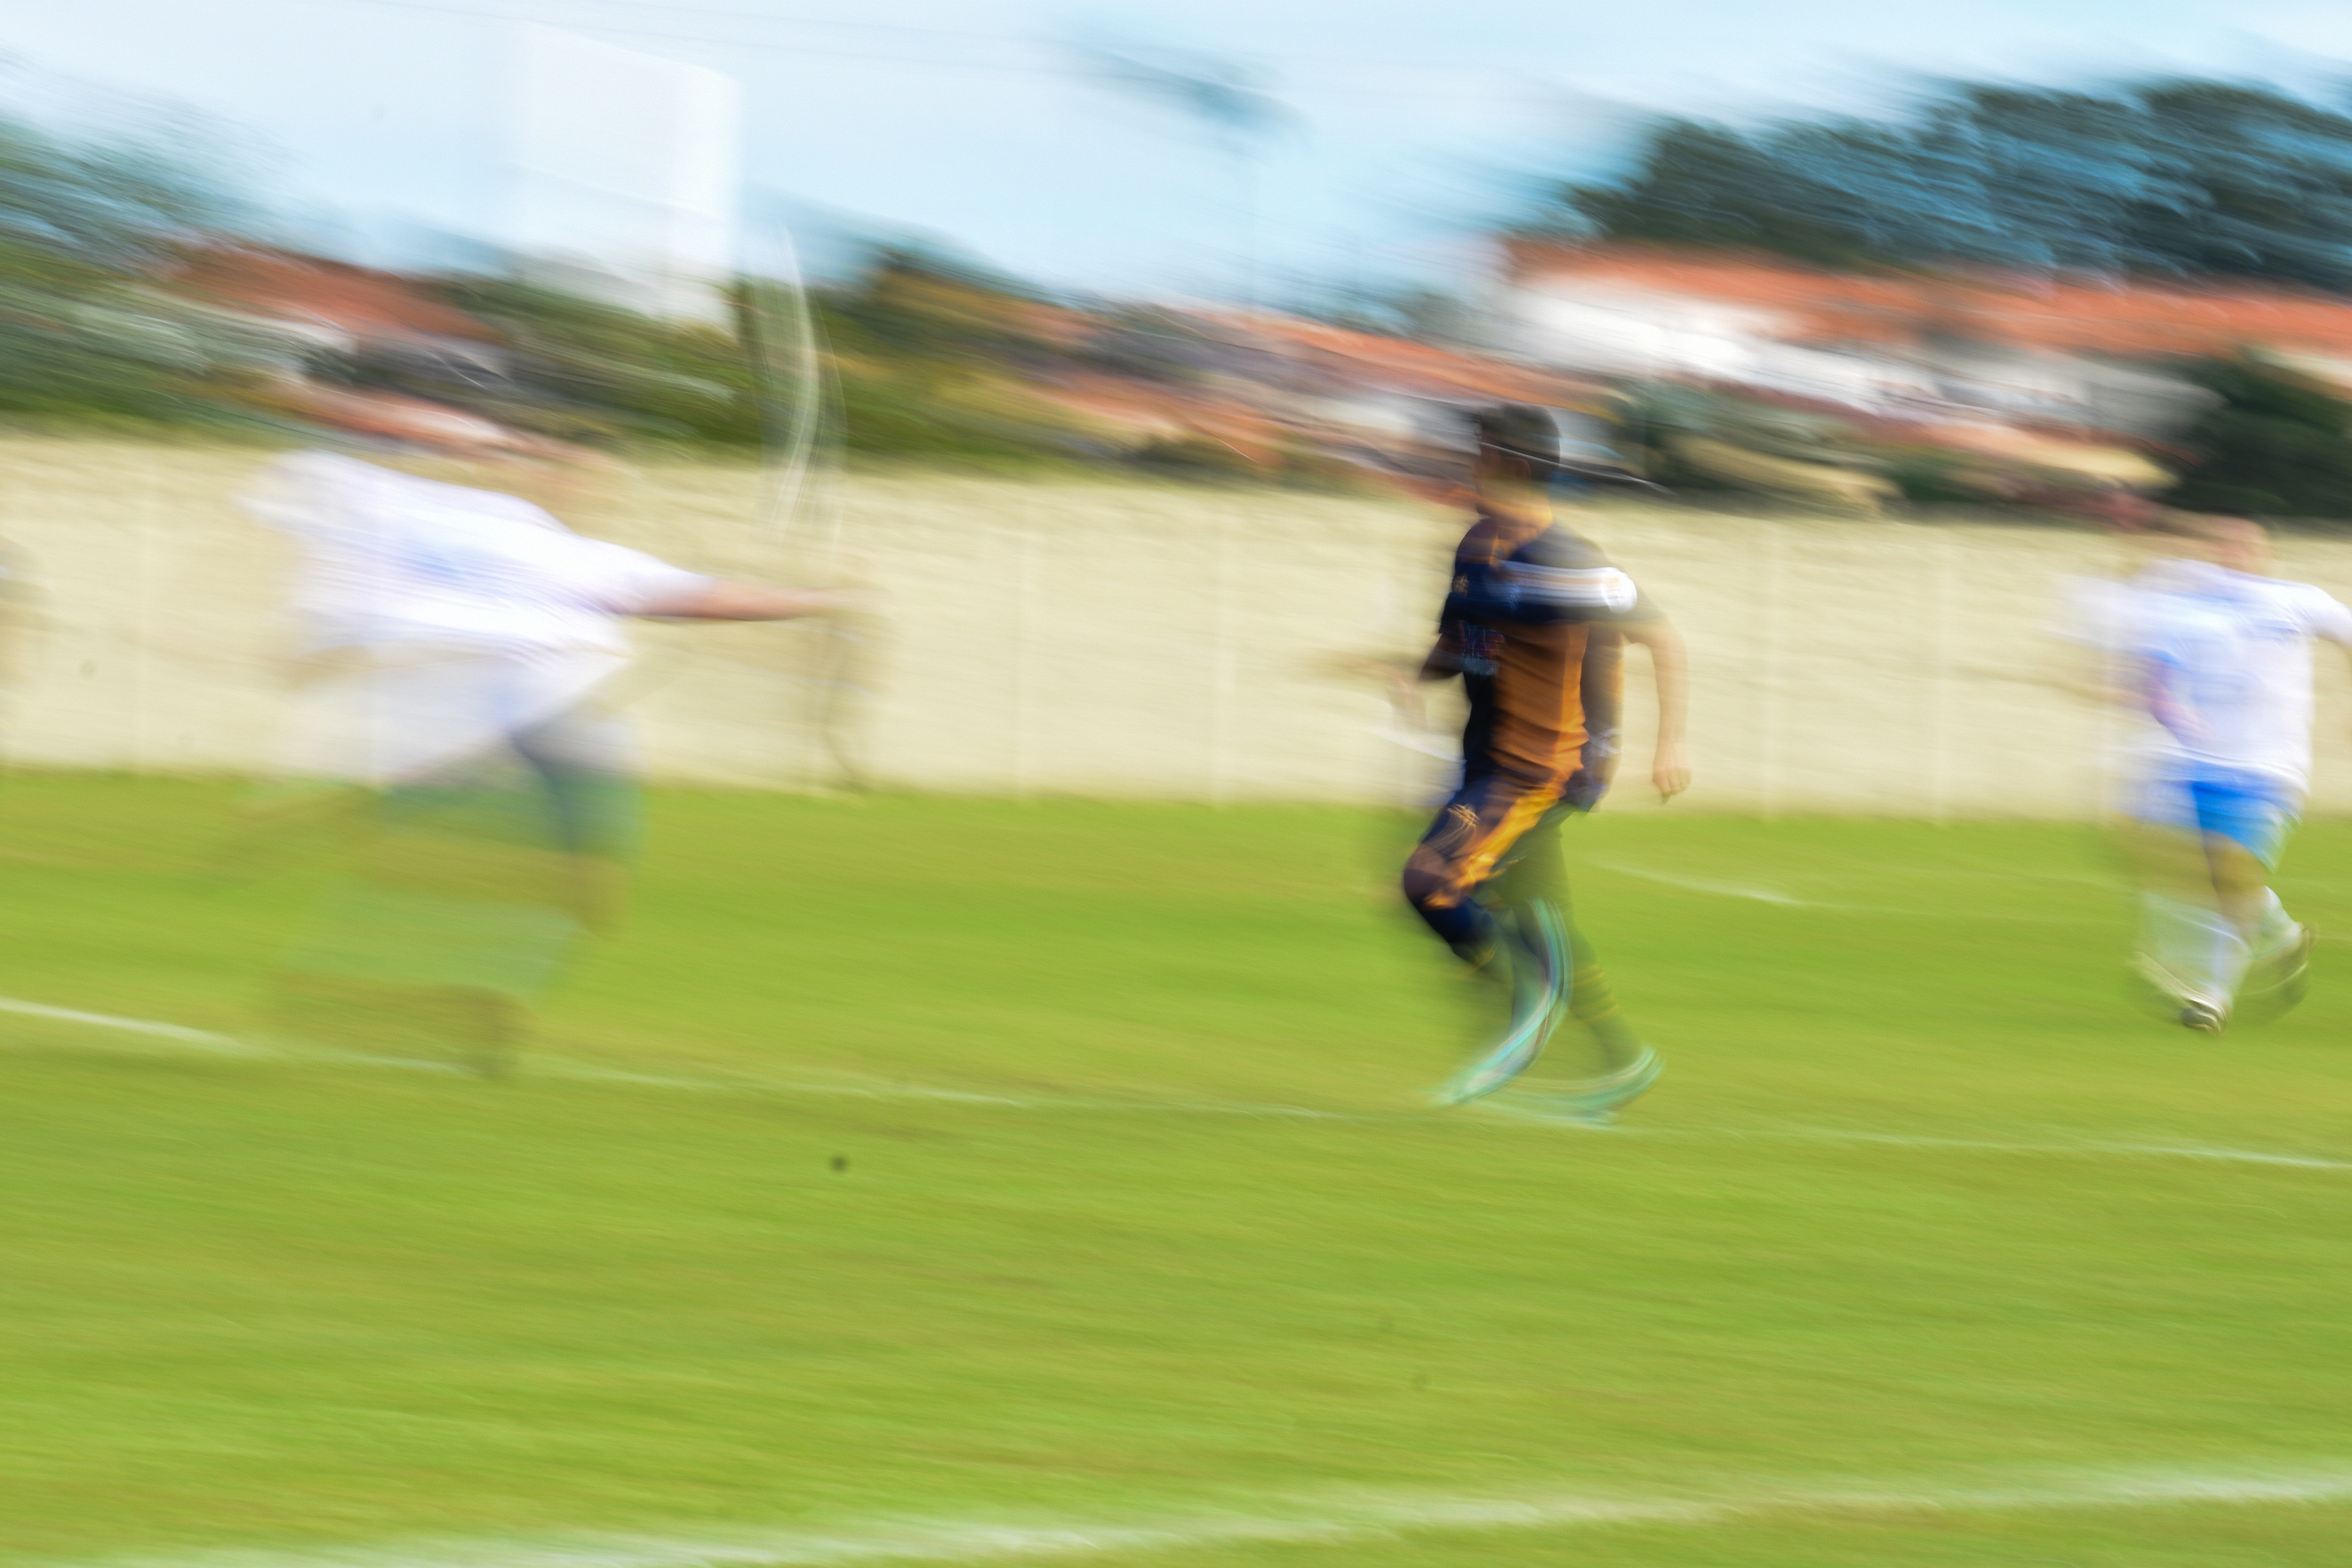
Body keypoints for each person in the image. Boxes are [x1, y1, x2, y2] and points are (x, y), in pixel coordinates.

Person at [238, 436, 853, 1075]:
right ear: (535, 479)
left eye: (594, 479)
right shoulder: (475, 529)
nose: (584, 489)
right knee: (479, 870)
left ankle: (415, 994)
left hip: (539, 732)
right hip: (484, 732)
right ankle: (375, 992)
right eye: (571, 475)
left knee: (582, 886)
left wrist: (816, 602)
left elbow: (706, 598)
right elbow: (376, 587)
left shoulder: (587, 559)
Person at [1401, 405, 1690, 1117]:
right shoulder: (1475, 547)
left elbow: (1661, 635)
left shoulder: (1568, 562)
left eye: (1480, 452)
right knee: (1539, 918)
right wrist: (1415, 677)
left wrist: (1670, 744)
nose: (1469, 464)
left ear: (1513, 465)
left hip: (1540, 769)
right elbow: (1460, 642)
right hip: (1488, 761)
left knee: (1431, 880)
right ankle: (1624, 1060)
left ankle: (1523, 1014)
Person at [2060, 512, 2350, 1032]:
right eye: (2223, 544)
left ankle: (2210, 998)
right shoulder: (2185, 606)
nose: (2233, 552)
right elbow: (2153, 667)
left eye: (2245, 544)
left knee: (2229, 870)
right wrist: (2154, 702)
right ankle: (2281, 935)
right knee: (2159, 855)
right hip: (2188, 763)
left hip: (2267, 768)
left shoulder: (2297, 600)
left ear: (2266, 554)